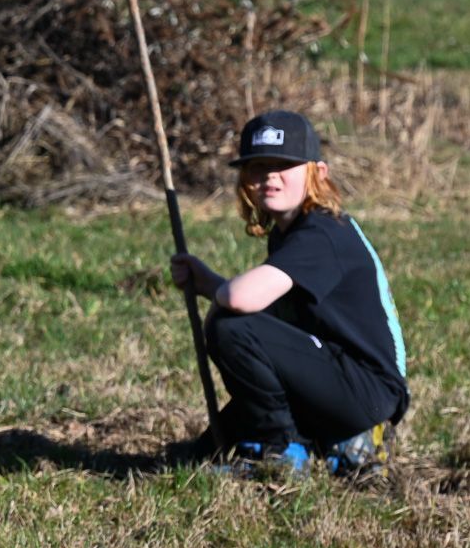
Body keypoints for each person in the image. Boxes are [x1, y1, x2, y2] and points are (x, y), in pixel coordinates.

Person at [169, 110, 408, 476]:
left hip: (365, 391)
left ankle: (282, 452)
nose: (270, 177)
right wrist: (208, 283)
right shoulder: (293, 231)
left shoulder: (322, 233)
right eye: (258, 167)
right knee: (202, 454)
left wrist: (215, 288)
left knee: (230, 326)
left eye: (284, 165)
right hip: (341, 375)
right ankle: (324, 443)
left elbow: (240, 300)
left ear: (318, 173)